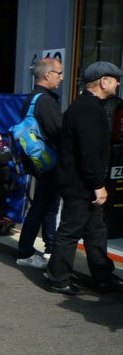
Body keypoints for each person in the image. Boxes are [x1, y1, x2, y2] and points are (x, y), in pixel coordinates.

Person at [45, 61, 123, 295]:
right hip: (81, 185)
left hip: (84, 183)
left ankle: (103, 276)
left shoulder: (88, 107)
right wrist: (98, 185)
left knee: (96, 230)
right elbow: (88, 152)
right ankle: (58, 279)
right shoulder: (88, 110)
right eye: (115, 79)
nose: (118, 83)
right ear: (103, 81)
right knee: (70, 231)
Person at [15, 58, 64, 269]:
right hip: (49, 161)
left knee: (47, 205)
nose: (62, 77)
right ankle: (26, 252)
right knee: (43, 206)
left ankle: (50, 247)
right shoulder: (45, 101)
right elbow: (58, 132)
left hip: (38, 161)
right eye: (59, 73)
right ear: (47, 75)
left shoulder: (32, 99)